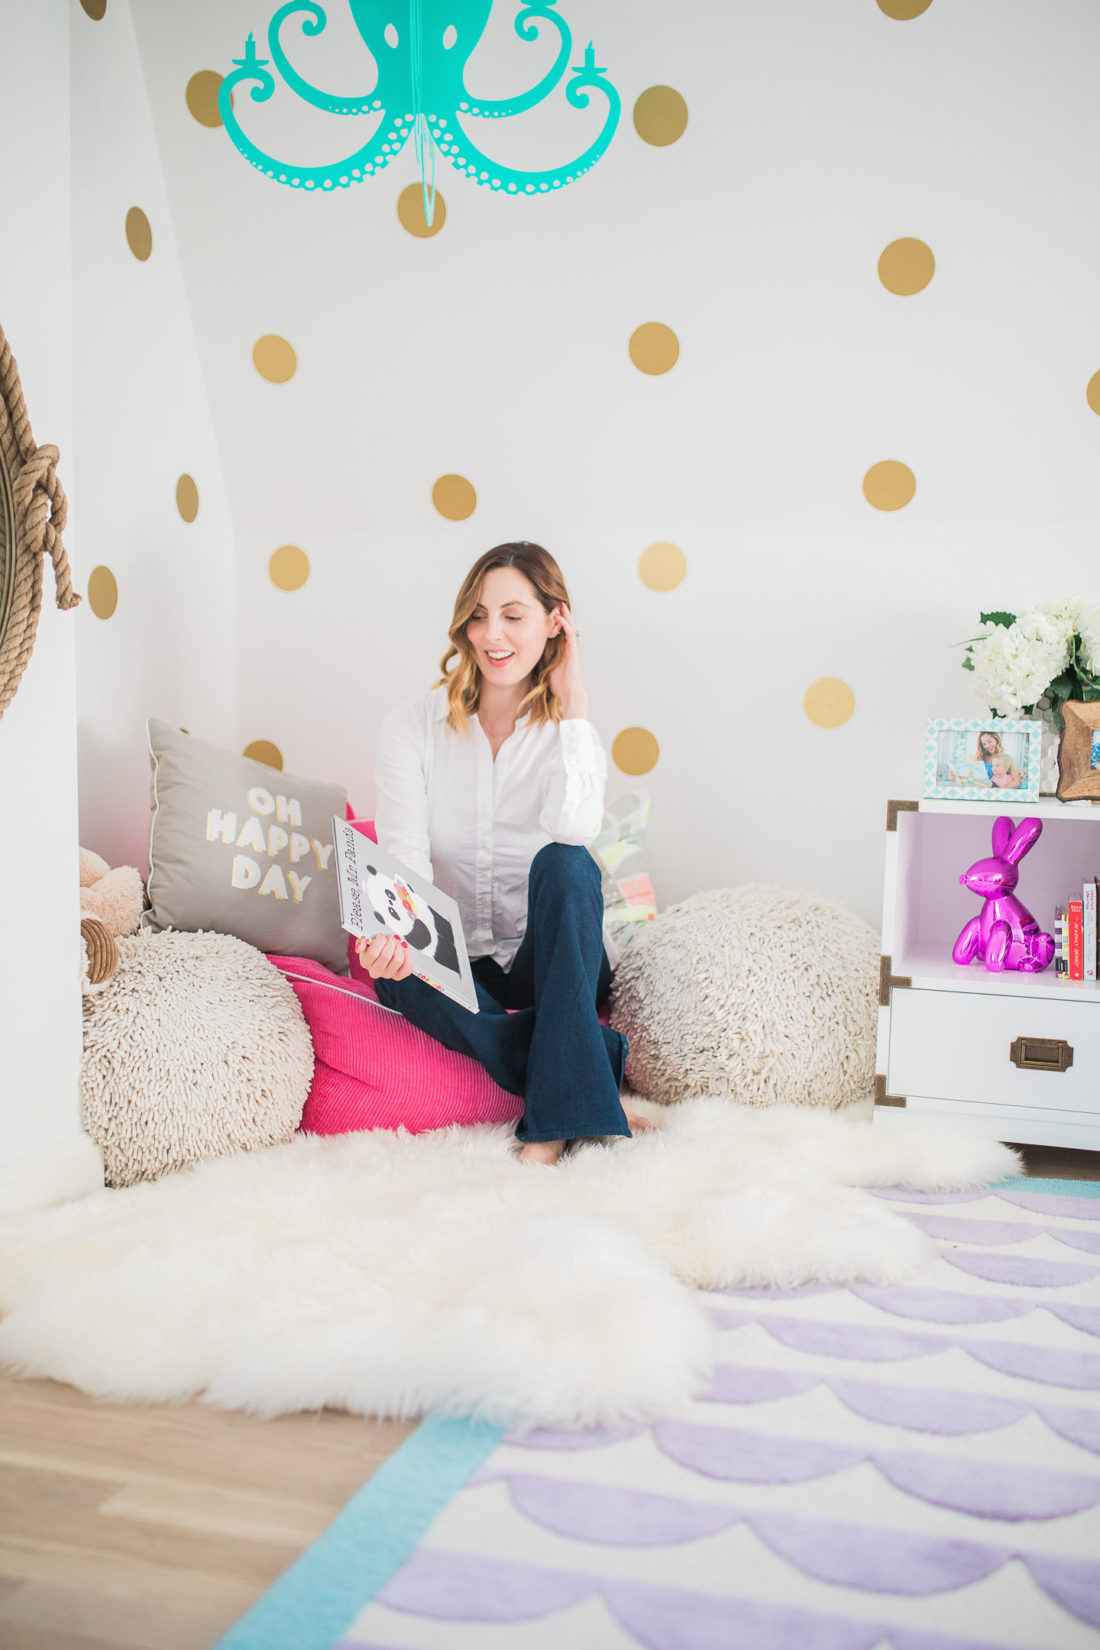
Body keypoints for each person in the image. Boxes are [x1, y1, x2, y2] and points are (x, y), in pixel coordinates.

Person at [356, 541, 652, 1166]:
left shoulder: (571, 735)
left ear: (555, 623)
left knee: (567, 862)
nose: (493, 634)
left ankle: (547, 1130)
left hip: (554, 957)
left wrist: (574, 705)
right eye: (480, 615)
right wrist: (392, 935)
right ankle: (590, 1078)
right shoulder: (412, 728)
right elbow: (404, 856)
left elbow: (574, 830)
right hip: (459, 954)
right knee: (397, 981)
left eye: (514, 616)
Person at [949, 729, 1022, 790]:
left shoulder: (1008, 758)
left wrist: (1000, 792)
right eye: (984, 744)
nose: (987, 746)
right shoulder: (979, 758)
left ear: (996, 740)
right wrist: (955, 776)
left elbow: (1017, 781)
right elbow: (969, 777)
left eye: (989, 742)